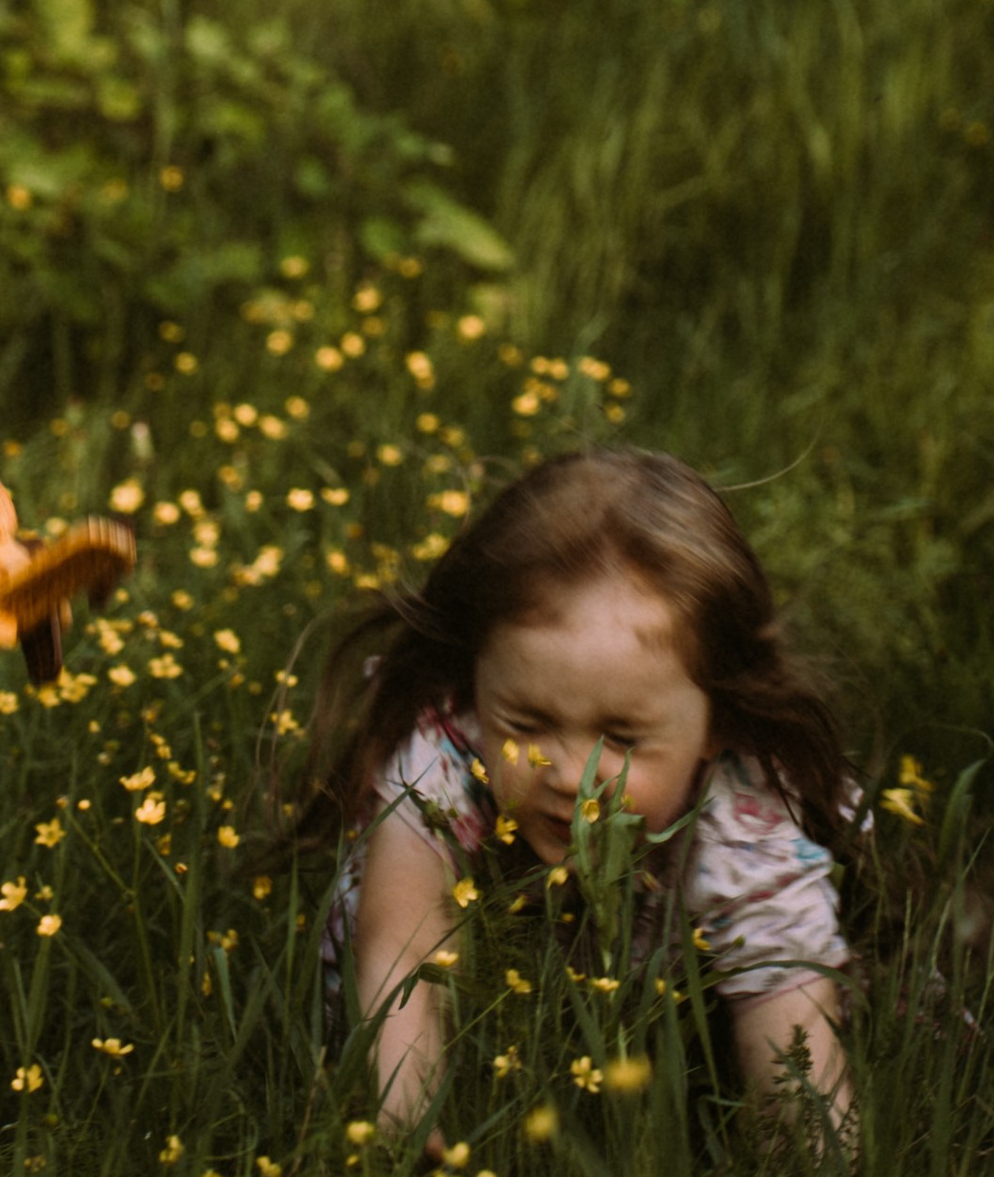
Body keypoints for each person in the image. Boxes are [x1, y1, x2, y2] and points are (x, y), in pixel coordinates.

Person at [289, 447, 862, 1137]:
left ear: (719, 720)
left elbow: (794, 1044)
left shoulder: (743, 819)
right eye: (526, 724)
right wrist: (403, 1132)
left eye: (622, 738)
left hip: (662, 1025)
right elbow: (401, 949)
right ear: (475, 683)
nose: (570, 776)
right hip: (480, 1015)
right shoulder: (441, 762)